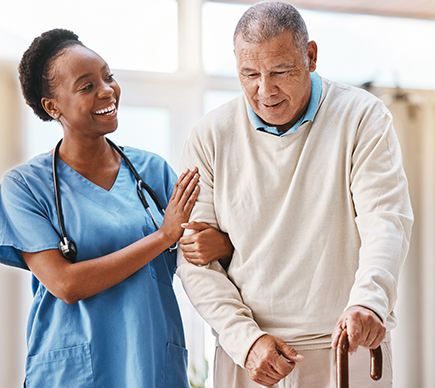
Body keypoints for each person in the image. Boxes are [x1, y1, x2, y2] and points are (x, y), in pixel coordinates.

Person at [178, 2, 413, 387]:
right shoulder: (211, 134)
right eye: (249, 74)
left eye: (280, 72)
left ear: (311, 56)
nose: (264, 90)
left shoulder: (361, 116)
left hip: (343, 347)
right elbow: (195, 261)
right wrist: (246, 341)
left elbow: (385, 220)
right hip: (249, 353)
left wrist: (370, 299)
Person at [0, 28, 232, 387]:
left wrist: (221, 242)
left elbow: (206, 246)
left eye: (108, 77)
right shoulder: (26, 186)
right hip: (72, 374)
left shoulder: (152, 172)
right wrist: (162, 237)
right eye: (87, 86)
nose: (107, 91)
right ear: (53, 106)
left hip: (152, 363)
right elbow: (64, 283)